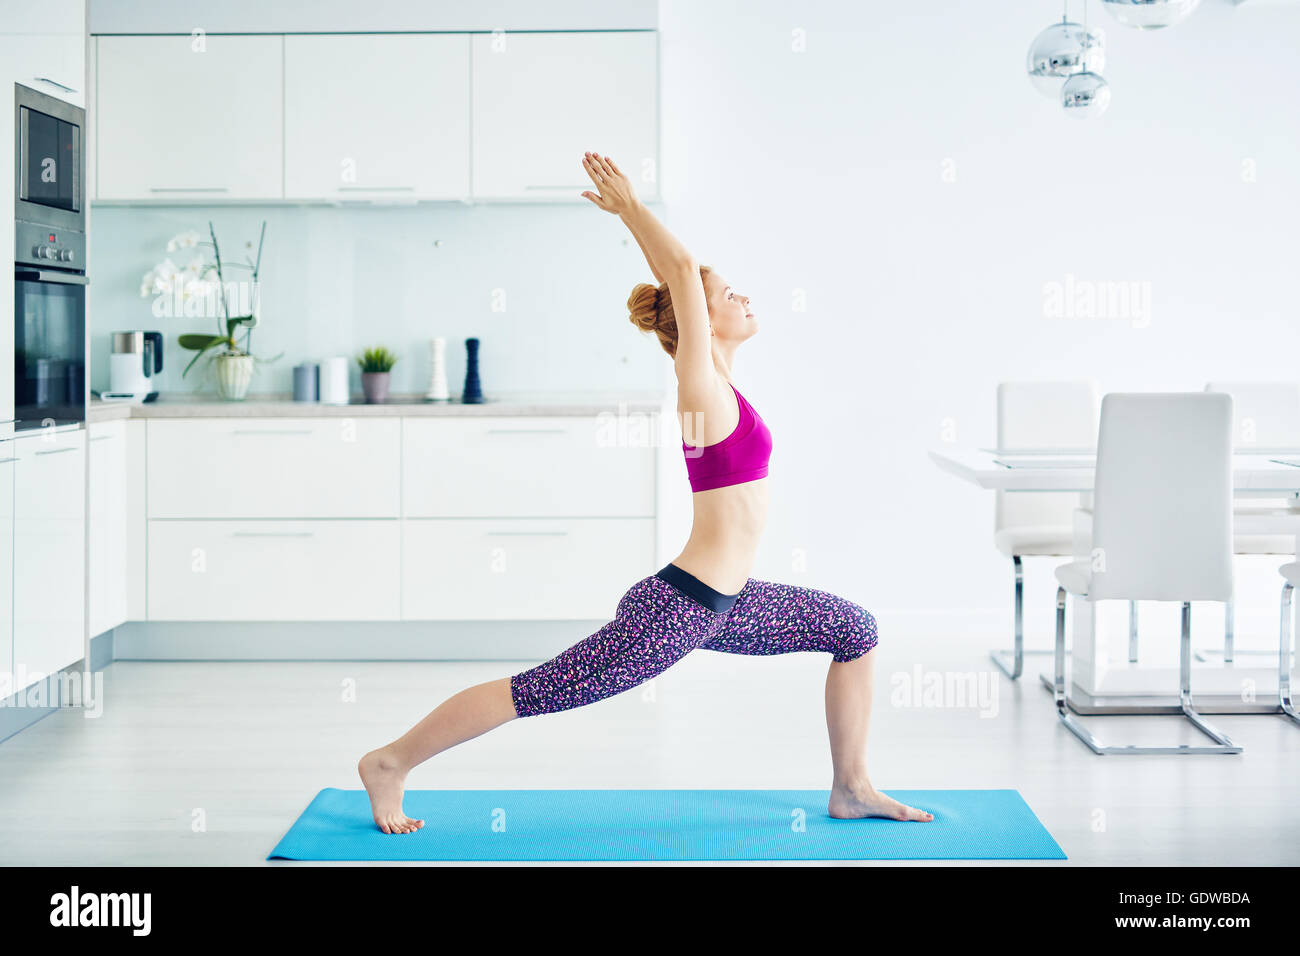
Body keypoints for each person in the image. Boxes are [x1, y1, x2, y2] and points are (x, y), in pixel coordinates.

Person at [357, 152, 933, 834]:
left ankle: (852, 786)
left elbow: (686, 281)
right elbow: (683, 274)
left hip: (730, 603)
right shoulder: (700, 385)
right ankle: (391, 762)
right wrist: (631, 210)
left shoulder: (725, 387)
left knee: (854, 630)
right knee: (537, 691)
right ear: (700, 321)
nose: (743, 298)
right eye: (727, 296)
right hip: (679, 608)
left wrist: (653, 240)